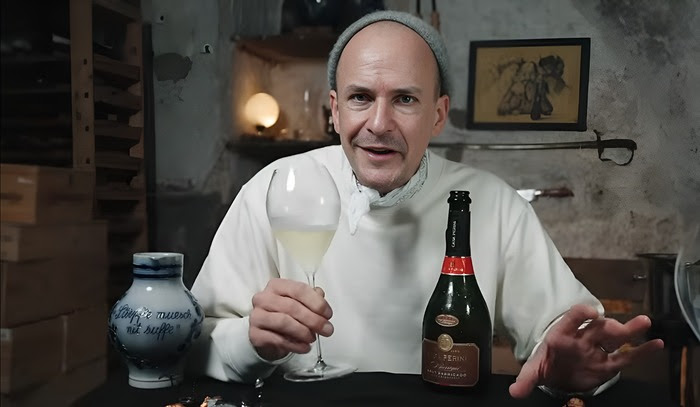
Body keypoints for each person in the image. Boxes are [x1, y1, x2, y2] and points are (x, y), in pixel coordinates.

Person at [190, 10, 663, 398]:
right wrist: (251, 341)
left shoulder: (491, 203)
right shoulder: (274, 188)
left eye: (404, 99)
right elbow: (193, 342)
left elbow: (572, 337)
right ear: (334, 110)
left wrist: (571, 367)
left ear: (437, 115)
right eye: (360, 97)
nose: (379, 123)